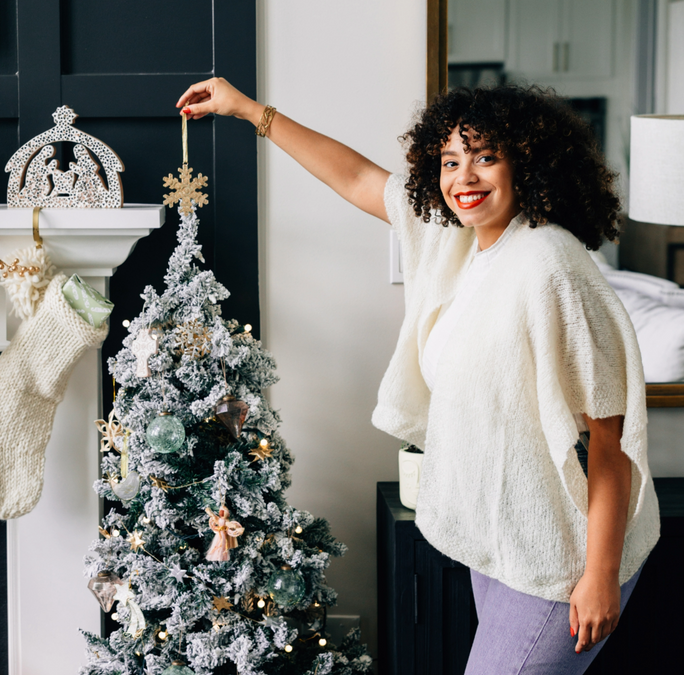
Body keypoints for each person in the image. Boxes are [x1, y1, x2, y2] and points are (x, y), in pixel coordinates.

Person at [176, 78, 660, 674]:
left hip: (563, 558)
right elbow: (357, 179)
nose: (465, 178)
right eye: (451, 161)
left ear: (528, 165)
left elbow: (610, 440)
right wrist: (249, 111)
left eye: (486, 158)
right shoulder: (463, 245)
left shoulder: (551, 265)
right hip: (508, 543)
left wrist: (599, 576)